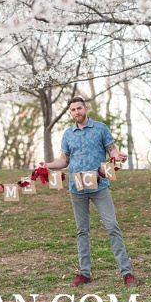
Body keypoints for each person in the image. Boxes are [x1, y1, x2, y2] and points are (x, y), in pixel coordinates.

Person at [37, 96, 136, 286]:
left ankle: (127, 273)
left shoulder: (100, 128)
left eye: (79, 108)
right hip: (77, 189)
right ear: (70, 112)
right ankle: (85, 273)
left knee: (112, 226)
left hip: (100, 187)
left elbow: (112, 150)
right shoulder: (68, 134)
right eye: (73, 110)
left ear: (86, 109)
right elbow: (64, 160)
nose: (76, 112)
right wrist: (47, 165)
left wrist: (118, 155)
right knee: (82, 231)